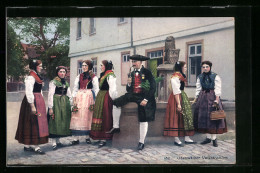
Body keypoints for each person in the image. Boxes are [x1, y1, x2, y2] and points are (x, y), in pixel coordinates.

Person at [108, 54, 156, 150]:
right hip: (133, 95)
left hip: (144, 96)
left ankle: (141, 142)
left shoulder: (147, 72)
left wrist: (146, 99)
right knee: (115, 103)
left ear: (140, 62)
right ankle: (116, 126)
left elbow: (153, 87)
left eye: (135, 62)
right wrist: (129, 83)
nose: (133, 64)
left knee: (143, 117)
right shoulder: (131, 73)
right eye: (132, 62)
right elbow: (128, 89)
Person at [15, 59, 49, 154]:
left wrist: (41, 100)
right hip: (32, 101)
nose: (41, 68)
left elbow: (39, 90)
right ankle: (35, 146)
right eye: (40, 66)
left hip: (38, 99)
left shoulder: (37, 76)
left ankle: (28, 145)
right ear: (35, 66)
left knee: (34, 122)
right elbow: (29, 92)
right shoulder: (30, 77)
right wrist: (32, 105)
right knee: (33, 122)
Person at [193, 60, 227, 147]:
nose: (205, 68)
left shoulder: (215, 76)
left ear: (210, 67)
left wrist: (216, 100)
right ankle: (208, 138)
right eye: (203, 67)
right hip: (203, 98)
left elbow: (217, 89)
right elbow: (198, 88)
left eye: (207, 67)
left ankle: (214, 139)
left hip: (213, 97)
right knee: (204, 118)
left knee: (213, 118)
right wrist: (196, 99)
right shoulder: (200, 77)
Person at [163, 61, 196, 147]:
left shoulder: (180, 76)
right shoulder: (175, 77)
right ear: (180, 68)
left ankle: (187, 138)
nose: (186, 69)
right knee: (176, 117)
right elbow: (176, 91)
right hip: (176, 98)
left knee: (185, 116)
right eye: (184, 67)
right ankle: (176, 139)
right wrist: (178, 104)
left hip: (182, 96)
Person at [70, 60, 99, 145]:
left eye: (86, 65)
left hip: (88, 97)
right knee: (77, 115)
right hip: (79, 97)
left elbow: (96, 89)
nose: (84, 67)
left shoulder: (93, 77)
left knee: (87, 116)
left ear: (89, 66)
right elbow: (75, 88)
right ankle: (76, 138)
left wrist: (95, 100)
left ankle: (87, 137)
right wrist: (73, 99)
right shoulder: (79, 76)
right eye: (82, 65)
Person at [89, 60, 118, 148]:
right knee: (100, 116)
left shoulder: (110, 75)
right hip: (100, 96)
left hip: (106, 97)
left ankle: (104, 138)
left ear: (106, 66)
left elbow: (112, 89)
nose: (100, 67)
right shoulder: (103, 75)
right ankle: (99, 137)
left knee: (105, 116)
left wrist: (113, 99)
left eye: (102, 65)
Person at [48, 66, 72, 150]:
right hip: (56, 102)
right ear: (57, 73)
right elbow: (50, 95)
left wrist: (71, 104)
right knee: (55, 120)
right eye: (60, 72)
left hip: (64, 103)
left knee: (62, 121)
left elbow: (69, 94)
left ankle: (58, 141)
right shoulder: (53, 82)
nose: (62, 73)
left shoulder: (66, 82)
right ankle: (54, 142)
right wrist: (50, 107)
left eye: (64, 72)